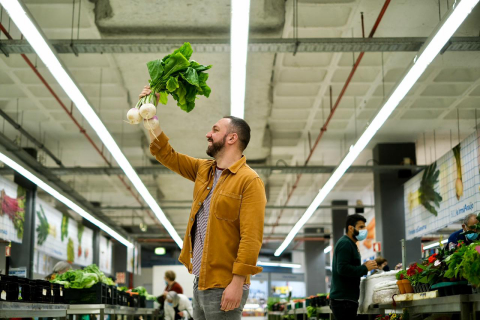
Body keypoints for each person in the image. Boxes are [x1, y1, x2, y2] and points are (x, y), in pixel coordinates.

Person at [140, 86, 266, 320]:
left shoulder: (249, 181)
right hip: (200, 280)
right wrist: (151, 115)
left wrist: (237, 283)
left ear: (231, 138)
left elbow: (251, 238)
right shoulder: (204, 170)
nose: (208, 134)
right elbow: (166, 154)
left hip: (226, 284)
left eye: (215, 130)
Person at [329, 214, 378, 319]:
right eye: (361, 227)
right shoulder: (345, 243)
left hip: (346, 299)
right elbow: (342, 269)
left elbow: (347, 267)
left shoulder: (350, 244)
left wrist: (364, 266)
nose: (364, 230)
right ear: (350, 228)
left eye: (364, 227)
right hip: (343, 300)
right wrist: (364, 268)